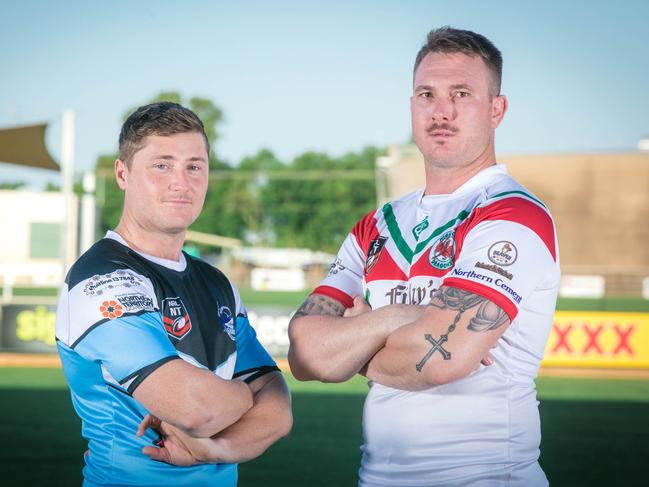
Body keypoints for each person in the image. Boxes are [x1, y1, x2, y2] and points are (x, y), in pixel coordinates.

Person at [288, 26, 559, 486]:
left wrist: (352, 342)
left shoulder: (513, 214)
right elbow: (305, 355)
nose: (441, 111)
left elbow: (441, 358)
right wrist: (394, 318)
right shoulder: (376, 226)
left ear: (497, 110)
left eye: (461, 94)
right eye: (426, 94)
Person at [55, 102, 292, 486]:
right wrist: (245, 395)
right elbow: (199, 410)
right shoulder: (100, 277)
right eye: (162, 165)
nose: (181, 183)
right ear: (122, 173)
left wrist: (215, 450)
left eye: (194, 166)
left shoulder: (217, 283)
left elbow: (279, 412)